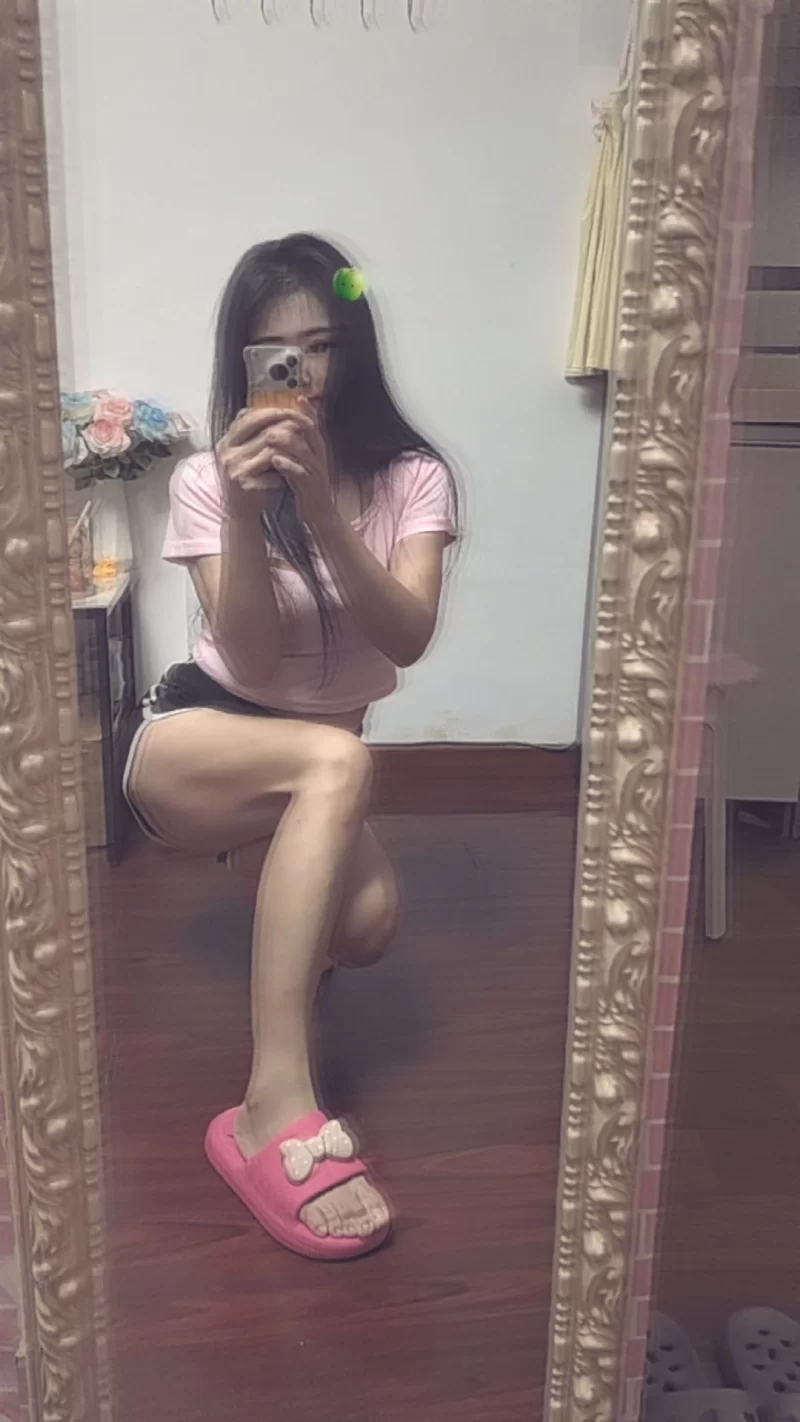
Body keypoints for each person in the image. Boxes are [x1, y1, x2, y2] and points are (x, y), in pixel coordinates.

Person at [122, 233, 458, 1260]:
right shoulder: (205, 481)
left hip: (314, 764)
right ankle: (273, 1102)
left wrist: (320, 508)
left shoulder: (411, 479)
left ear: (352, 350)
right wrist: (244, 507)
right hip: (200, 736)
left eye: (320, 347)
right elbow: (256, 661)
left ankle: (277, 865)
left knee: (369, 926)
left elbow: (406, 635)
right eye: (276, 353)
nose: (300, 374)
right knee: (336, 760)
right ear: (243, 363)